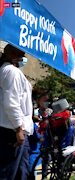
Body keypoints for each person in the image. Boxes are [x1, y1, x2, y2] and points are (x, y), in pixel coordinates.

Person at [0, 44, 34, 179]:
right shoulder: (11, 72)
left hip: (18, 130)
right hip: (12, 131)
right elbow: (11, 102)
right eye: (22, 55)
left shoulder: (8, 71)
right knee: (8, 173)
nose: (24, 58)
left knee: (22, 172)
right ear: (13, 55)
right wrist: (18, 128)